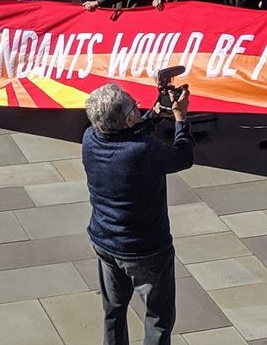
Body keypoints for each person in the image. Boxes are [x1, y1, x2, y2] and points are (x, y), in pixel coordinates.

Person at [83, 82, 193, 345]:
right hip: (145, 250)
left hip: (105, 242)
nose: (139, 109)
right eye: (136, 108)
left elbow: (127, 132)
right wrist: (181, 119)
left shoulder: (90, 137)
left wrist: (154, 115)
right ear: (128, 118)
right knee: (158, 317)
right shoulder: (143, 150)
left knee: (114, 309)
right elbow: (184, 157)